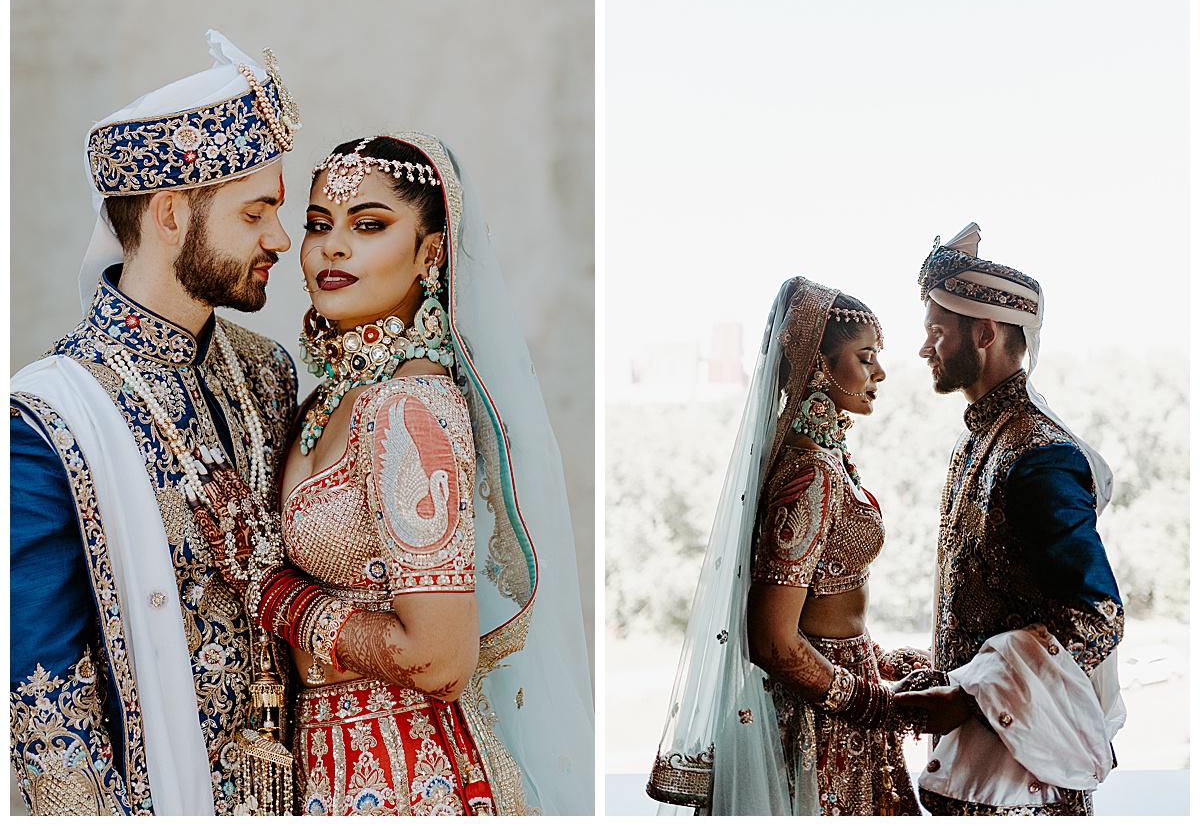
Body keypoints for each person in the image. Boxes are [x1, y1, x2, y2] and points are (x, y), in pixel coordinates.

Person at [224, 133, 594, 815]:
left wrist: (276, 598)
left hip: (407, 771)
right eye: (317, 225)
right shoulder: (327, 398)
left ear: (430, 253)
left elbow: (439, 660)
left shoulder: (409, 407)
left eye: (368, 225)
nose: (332, 247)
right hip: (332, 763)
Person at [10, 31, 302, 814]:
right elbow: (42, 695)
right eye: (256, 211)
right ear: (171, 214)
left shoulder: (267, 373)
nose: (281, 237)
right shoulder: (49, 414)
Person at [647, 276, 927, 816]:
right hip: (819, 727)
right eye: (865, 357)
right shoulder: (810, 473)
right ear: (820, 366)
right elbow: (773, 641)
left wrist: (882, 664)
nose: (880, 373)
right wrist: (872, 701)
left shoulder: (819, 459)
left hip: (836, 694)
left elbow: (820, 605)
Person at [895, 224, 1125, 815]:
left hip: (1022, 781)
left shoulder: (1037, 455)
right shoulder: (978, 444)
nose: (924, 349)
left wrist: (969, 698)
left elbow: (1097, 618)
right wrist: (941, 674)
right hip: (973, 766)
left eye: (936, 333)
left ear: (987, 332)